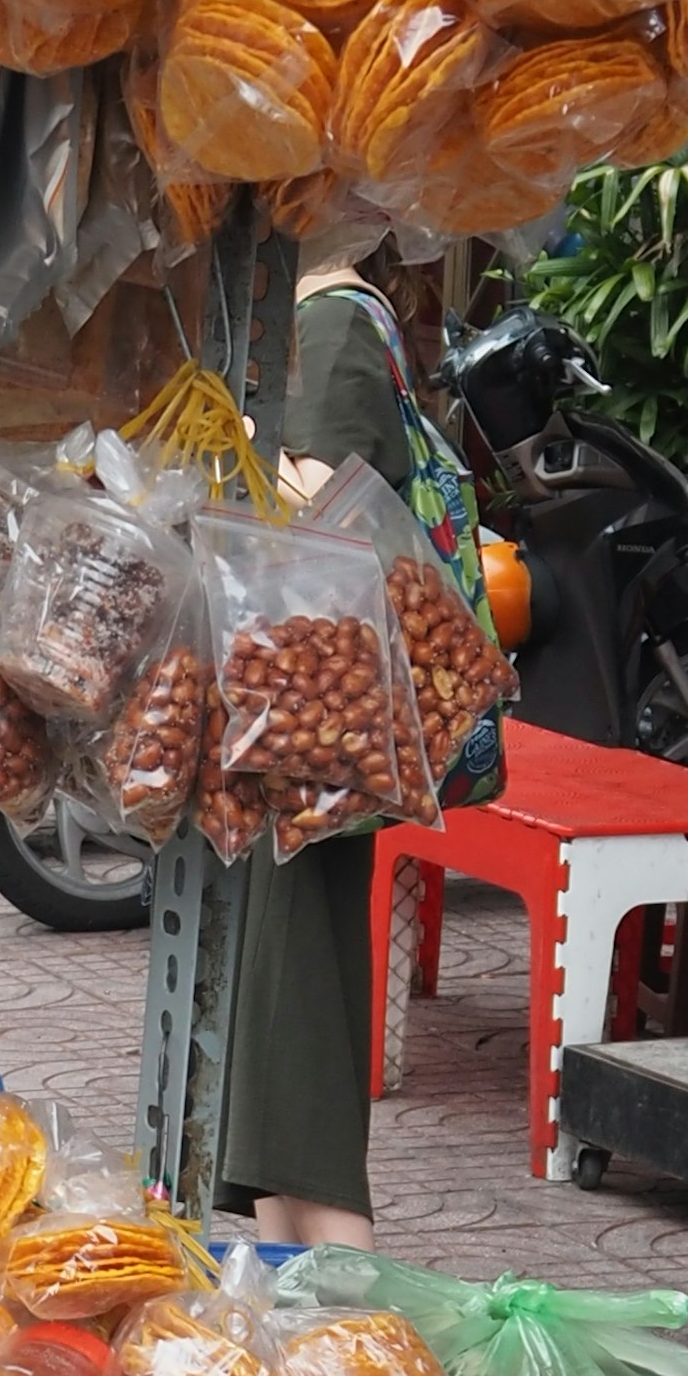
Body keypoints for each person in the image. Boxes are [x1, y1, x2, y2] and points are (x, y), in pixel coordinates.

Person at [218, 251, 426, 1243]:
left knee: (298, 987)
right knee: (274, 988)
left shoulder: (333, 322)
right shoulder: (310, 321)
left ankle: (340, 1271)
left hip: (318, 728)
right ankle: (286, 1253)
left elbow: (317, 507)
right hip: (295, 716)